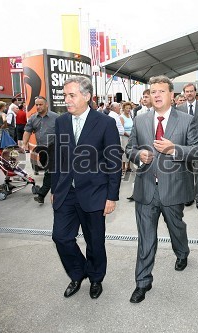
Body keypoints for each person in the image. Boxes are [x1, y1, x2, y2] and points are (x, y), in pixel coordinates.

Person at [125, 75, 198, 303]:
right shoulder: (140, 120)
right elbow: (129, 149)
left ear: (171, 94)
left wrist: (174, 149)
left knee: (175, 227)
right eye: (153, 91)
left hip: (174, 188)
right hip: (146, 189)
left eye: (161, 91)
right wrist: (138, 155)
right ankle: (142, 282)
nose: (156, 95)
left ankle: (182, 252)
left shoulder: (187, 120)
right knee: (146, 237)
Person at [51, 76, 122, 299]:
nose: (67, 100)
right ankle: (78, 272)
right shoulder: (61, 121)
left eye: (71, 95)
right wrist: (54, 189)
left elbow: (114, 161)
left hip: (94, 193)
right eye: (65, 96)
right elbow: (57, 158)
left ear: (87, 96)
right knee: (61, 237)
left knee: (95, 242)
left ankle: (96, 278)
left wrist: (112, 196)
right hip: (66, 192)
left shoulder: (105, 122)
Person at [22, 96, 59, 204]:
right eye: (36, 105)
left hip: (54, 148)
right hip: (42, 150)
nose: (38, 106)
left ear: (46, 105)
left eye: (40, 104)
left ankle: (41, 194)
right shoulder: (33, 118)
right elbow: (27, 131)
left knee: (50, 172)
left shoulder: (55, 117)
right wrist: (24, 143)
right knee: (52, 173)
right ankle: (57, 192)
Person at [176, 83, 198, 209]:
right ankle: (189, 196)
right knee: (187, 174)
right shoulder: (178, 109)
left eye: (191, 91)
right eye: (186, 91)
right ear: (184, 93)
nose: (189, 93)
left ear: (195, 92)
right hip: (185, 147)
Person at [120, 102, 134, 176]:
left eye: (129, 108)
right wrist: (128, 135)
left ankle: (128, 167)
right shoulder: (121, 117)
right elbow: (122, 130)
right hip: (125, 137)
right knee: (124, 152)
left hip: (131, 137)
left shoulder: (130, 115)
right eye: (127, 108)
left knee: (130, 152)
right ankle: (123, 168)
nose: (128, 110)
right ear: (123, 109)